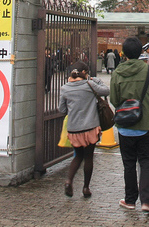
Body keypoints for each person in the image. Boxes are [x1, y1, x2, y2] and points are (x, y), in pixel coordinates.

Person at [110, 36, 149, 214]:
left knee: (128, 163)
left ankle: (130, 199)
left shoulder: (117, 73)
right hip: (146, 124)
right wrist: (148, 107)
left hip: (125, 126)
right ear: (141, 51)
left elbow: (114, 100)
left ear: (123, 53)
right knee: (146, 162)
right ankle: (147, 201)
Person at [59, 60, 109, 198]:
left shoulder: (65, 88)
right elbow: (106, 90)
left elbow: (62, 109)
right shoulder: (89, 85)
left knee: (78, 156)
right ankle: (86, 187)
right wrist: (96, 80)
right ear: (85, 73)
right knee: (88, 157)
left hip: (74, 129)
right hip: (90, 127)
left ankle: (69, 180)